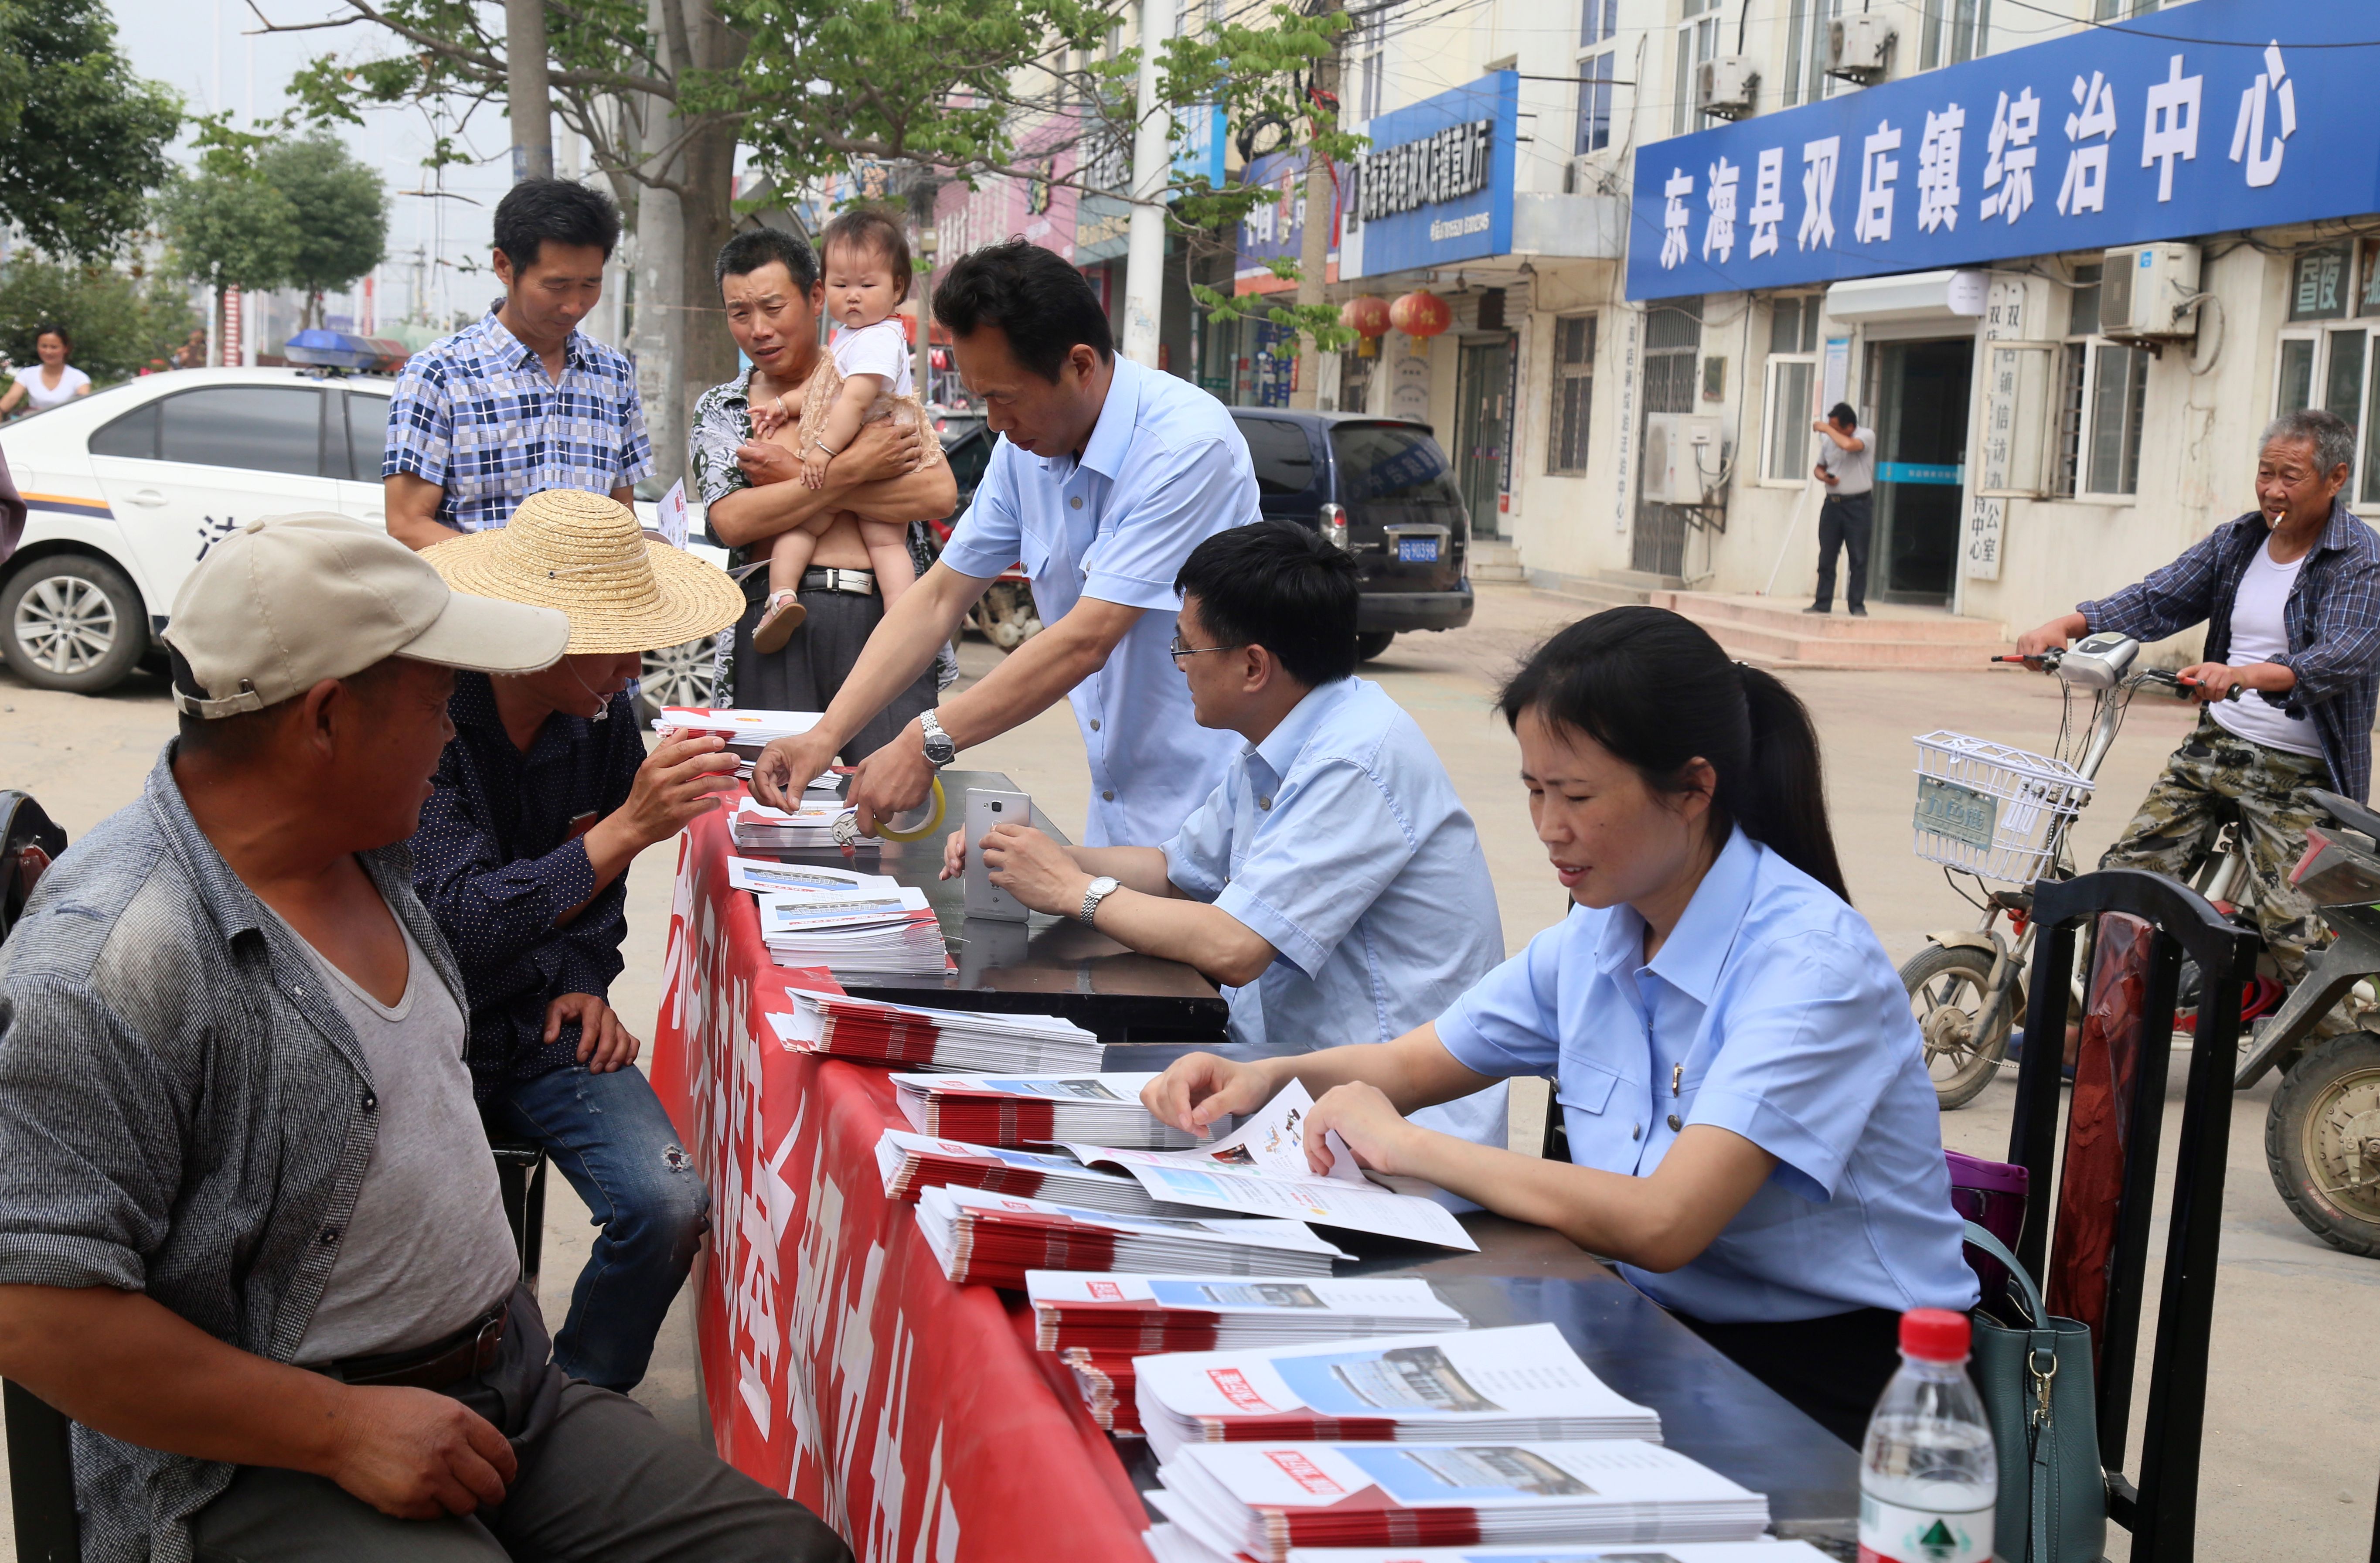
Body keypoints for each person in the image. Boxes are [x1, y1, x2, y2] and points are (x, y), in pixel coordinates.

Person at [0, 512, 848, 1563]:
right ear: (323, 722)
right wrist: (340, 1429)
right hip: (266, 1455)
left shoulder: (372, 854)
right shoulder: (111, 960)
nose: (453, 737)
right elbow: (36, 1308)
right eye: (436, 704)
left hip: (504, 1388)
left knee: (786, 1553)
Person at [1141, 606, 1977, 1444]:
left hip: (1843, 1384)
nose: (1548, 829)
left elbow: (1664, 1222)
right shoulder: (1598, 932)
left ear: (1691, 789)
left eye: (1575, 796)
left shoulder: (1809, 966)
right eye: (1535, 791)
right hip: (1658, 1326)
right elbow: (1412, 1062)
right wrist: (1264, 1078)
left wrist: (1409, 1146)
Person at [954, 520, 1509, 1145]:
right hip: (1287, 1084)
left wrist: (1071, 892)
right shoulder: (1283, 738)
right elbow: (1176, 871)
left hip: (1392, 1131)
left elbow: (1235, 950)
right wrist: (1044, 854)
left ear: (1252, 667)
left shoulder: (1353, 760)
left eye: (1186, 647)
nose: (1179, 665)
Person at [751, 238, 1254, 848]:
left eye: (1002, 398)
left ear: (1080, 366)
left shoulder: (1186, 450)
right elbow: (940, 597)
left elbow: (1085, 640)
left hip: (1222, 803)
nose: (992, 422)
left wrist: (925, 740)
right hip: (1120, 807)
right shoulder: (1027, 451)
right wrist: (825, 737)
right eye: (980, 397)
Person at [410, 488, 747, 1391]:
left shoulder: (603, 721)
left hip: (545, 1025)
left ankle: (580, 1400)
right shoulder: (427, 723)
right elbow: (456, 925)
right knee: (454, 1284)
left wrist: (583, 975)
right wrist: (620, 832)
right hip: (424, 1041)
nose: (635, 666)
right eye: (616, 640)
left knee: (667, 1203)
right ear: (537, 637)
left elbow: (598, 905)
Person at [2015, 408, 2380, 1031]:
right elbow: (2158, 596)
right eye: (2264, 473)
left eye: (2289, 476)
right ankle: (2104, 1032)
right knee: (2124, 884)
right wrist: (2067, 625)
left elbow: (2344, 654)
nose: (2271, 490)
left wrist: (2246, 674)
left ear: (2335, 477)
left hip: (2297, 774)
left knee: (2296, 931)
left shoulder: (2358, 558)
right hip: (2216, 746)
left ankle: (2341, 1074)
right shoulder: (2237, 541)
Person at [691, 227, 958, 751]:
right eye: (739, 313)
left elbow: (936, 494)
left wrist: (794, 476)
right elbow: (732, 521)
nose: (759, 329)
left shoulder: (879, 382)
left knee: (889, 806)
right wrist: (858, 466)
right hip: (776, 622)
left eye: (772, 307)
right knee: (778, 806)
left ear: (815, 298)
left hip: (883, 617)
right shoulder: (724, 409)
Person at [382, 177, 650, 548]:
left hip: (592, 604)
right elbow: (407, 524)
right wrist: (517, 580)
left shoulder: (613, 374)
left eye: (590, 285)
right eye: (557, 286)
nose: (574, 306)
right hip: (475, 602)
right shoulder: (439, 375)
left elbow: (623, 514)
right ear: (504, 266)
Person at [744, 207, 937, 653]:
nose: (852, 296)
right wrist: (781, 405)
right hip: (862, 455)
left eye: (867, 286)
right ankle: (787, 599)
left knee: (871, 540)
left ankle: (889, 616)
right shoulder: (850, 339)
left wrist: (823, 453)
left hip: (880, 454)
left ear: (897, 289)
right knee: (830, 533)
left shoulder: (879, 340)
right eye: (840, 285)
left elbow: (853, 401)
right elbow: (821, 390)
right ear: (822, 288)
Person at [1807, 402, 1874, 618]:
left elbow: (1848, 446)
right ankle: (1822, 601)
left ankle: (1857, 604)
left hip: (1858, 505)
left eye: (1835, 426)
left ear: (1849, 427)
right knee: (1827, 555)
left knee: (1858, 557)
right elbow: (1819, 468)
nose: (1830, 429)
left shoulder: (1865, 436)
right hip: (1833, 504)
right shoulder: (1829, 442)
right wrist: (1825, 478)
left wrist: (1826, 429)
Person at [0, 323, 92, 416]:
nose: (48, 352)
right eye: (44, 346)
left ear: (66, 349)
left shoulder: (80, 378)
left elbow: (83, 407)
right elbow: (11, 398)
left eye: (54, 347)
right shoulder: (27, 374)